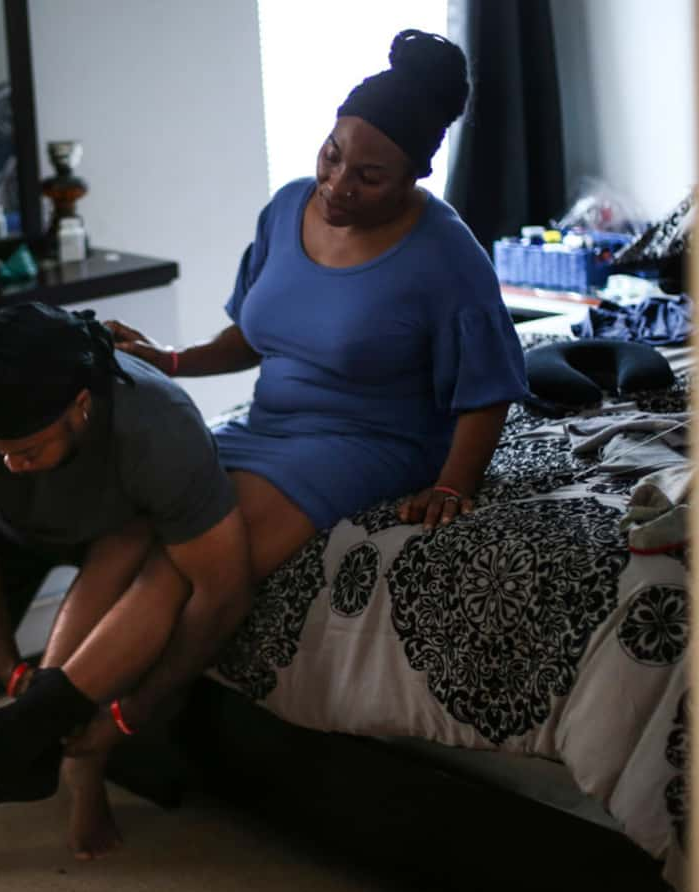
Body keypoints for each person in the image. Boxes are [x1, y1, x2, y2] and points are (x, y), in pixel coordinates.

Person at [90, 25, 529, 830]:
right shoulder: (288, 205)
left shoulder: (448, 254)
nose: (337, 184)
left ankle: (125, 720)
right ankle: (63, 708)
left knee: (196, 561)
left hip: (367, 441)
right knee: (137, 530)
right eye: (331, 155)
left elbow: (488, 386)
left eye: (369, 175)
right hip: (268, 424)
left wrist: (451, 485)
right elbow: (253, 333)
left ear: (418, 174)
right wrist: (173, 360)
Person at [0, 302, 251, 892]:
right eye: (0, 451)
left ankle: (78, 766)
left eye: (29, 449)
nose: (11, 463)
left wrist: (133, 713)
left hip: (118, 531)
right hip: (7, 530)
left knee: (127, 550)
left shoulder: (158, 422)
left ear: (81, 405)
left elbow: (223, 589)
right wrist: (4, 662)